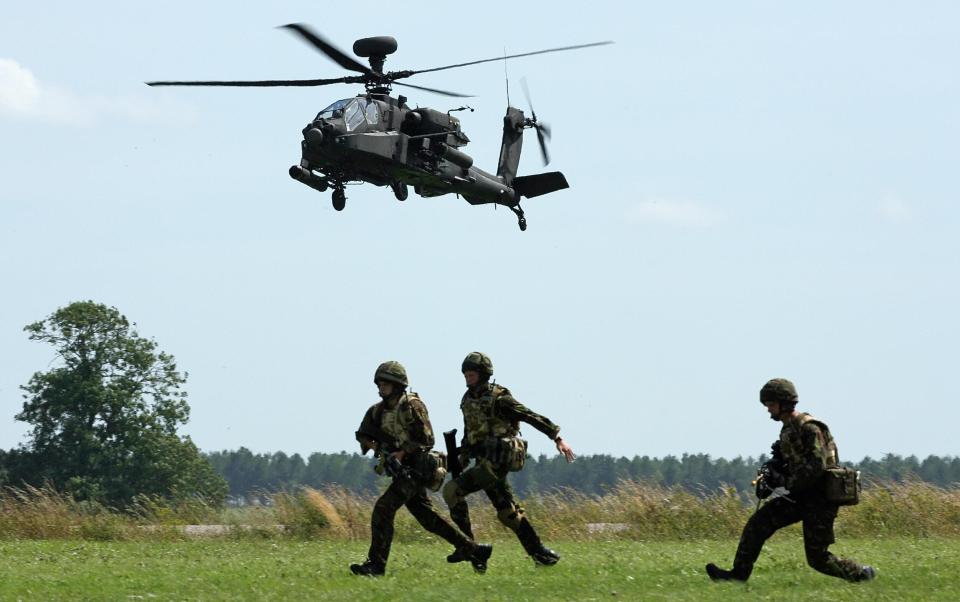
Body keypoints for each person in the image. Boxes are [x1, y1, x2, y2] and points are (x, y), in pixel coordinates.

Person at [706, 378, 876, 583]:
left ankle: (862, 574)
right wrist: (772, 474)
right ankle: (738, 575)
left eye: (771, 405)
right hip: (799, 496)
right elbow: (794, 466)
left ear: (784, 403)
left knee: (817, 558)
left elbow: (816, 468)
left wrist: (783, 482)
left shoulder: (810, 428)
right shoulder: (788, 430)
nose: (768, 410)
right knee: (758, 524)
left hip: (820, 499)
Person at [350, 361, 492, 576]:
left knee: (383, 509)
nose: (381, 387)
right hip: (400, 470)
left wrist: (403, 452)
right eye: (379, 383)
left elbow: (427, 439)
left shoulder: (411, 406)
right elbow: (362, 434)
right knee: (428, 519)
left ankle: (376, 565)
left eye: (385, 383)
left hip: (416, 468)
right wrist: (379, 448)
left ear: (397, 384)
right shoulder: (377, 411)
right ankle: (473, 549)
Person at [442, 352, 575, 566]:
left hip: (496, 464)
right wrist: (462, 458)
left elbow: (529, 415)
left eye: (472, 374)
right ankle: (540, 554)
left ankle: (470, 548)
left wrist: (557, 437)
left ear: (483, 374)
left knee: (451, 491)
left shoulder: (500, 399)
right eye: (465, 374)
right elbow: (470, 434)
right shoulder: (467, 400)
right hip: (483, 463)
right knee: (508, 514)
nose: (467, 377)